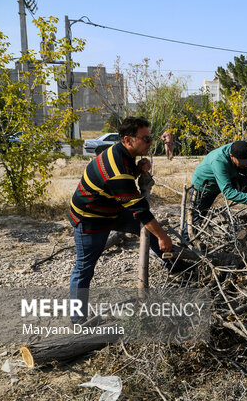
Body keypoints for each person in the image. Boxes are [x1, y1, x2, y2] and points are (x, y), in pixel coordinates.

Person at [68, 117, 173, 324]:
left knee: (151, 231)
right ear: (128, 139)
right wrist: (162, 236)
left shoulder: (122, 153)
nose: (150, 143)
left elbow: (125, 181)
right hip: (90, 218)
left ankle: (174, 266)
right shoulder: (115, 166)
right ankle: (78, 321)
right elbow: (139, 209)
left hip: (111, 209)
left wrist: (137, 169)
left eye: (151, 138)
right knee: (84, 268)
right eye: (145, 139)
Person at [189, 140, 247, 232]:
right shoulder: (219, 161)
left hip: (229, 177)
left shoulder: (242, 151)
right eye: (243, 162)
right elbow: (228, 192)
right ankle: (186, 242)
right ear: (231, 156)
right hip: (205, 186)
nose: (246, 164)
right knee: (196, 219)